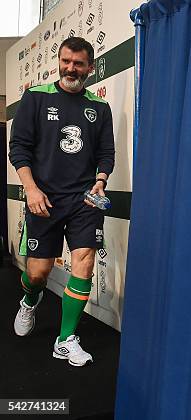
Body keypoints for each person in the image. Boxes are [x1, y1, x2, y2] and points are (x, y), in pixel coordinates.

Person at [9, 37, 115, 367]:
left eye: (78, 63)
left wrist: (100, 182)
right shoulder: (36, 97)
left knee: (83, 260)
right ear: (59, 61)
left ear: (90, 67)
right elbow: (20, 149)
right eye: (66, 61)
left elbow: (106, 153)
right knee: (38, 273)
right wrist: (32, 189)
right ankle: (30, 299)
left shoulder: (99, 107)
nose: (71, 68)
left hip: (84, 200)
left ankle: (66, 339)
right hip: (44, 200)